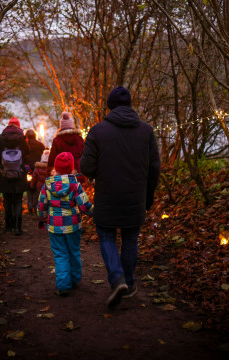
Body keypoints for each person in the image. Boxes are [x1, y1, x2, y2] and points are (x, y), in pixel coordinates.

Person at [80, 86, 160, 309]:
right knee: (130, 238)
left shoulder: (97, 131)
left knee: (106, 236)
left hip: (108, 195)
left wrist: (99, 173)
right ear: (130, 105)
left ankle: (117, 279)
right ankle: (130, 283)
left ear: (110, 106)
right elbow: (155, 168)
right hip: (136, 197)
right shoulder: (146, 131)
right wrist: (148, 197)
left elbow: (86, 166)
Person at [38, 152, 93, 297]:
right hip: (73, 225)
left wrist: (42, 218)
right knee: (74, 252)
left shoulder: (48, 185)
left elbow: (41, 205)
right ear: (72, 168)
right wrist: (94, 212)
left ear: (55, 168)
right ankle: (75, 280)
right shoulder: (75, 184)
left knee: (60, 254)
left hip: (55, 227)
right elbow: (84, 205)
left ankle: (63, 285)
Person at [0, 117, 30, 235]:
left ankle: (8, 226)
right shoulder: (22, 140)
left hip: (3, 176)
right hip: (19, 175)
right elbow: (27, 154)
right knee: (17, 201)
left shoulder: (1, 141)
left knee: (7, 201)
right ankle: (17, 227)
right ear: (18, 126)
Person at [48, 111, 86, 183]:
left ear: (61, 126)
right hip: (78, 172)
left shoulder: (57, 140)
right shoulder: (80, 139)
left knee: (64, 191)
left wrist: (50, 171)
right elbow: (85, 155)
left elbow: (52, 158)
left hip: (62, 173)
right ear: (72, 125)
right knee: (77, 191)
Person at [24, 129, 45, 214]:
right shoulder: (40, 145)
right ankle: (36, 205)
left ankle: (29, 204)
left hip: (27, 169)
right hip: (38, 168)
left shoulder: (25, 145)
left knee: (29, 187)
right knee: (37, 187)